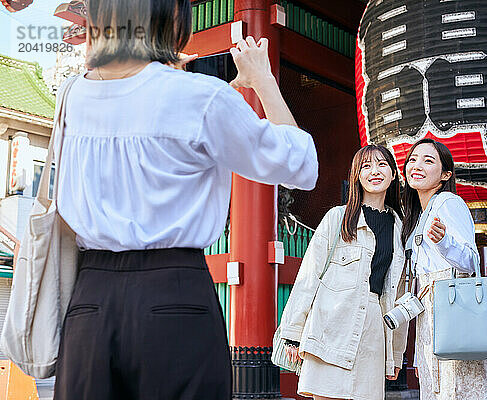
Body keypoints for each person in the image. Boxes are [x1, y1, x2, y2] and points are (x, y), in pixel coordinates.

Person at [52, 0, 318, 399]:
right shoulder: (201, 97)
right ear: (174, 19)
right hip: (173, 295)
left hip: (91, 300)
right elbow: (300, 166)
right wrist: (262, 79)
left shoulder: (72, 97)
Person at [277, 145, 408, 400]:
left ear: (393, 174)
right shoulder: (338, 218)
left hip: (372, 331)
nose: (375, 172)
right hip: (331, 328)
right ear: (356, 175)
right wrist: (292, 333)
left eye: (382, 165)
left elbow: (399, 296)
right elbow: (309, 275)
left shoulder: (399, 230)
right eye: (366, 166)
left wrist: (396, 352)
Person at [402, 138, 487, 399]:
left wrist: (445, 242)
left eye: (428, 161)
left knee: (456, 389)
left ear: (445, 175)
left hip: (452, 308)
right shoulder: (419, 214)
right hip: (429, 314)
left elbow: (471, 262)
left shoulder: (449, 202)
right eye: (413, 159)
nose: (417, 165)